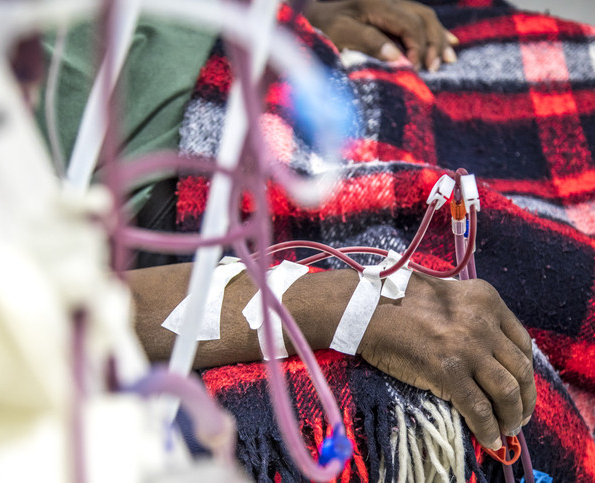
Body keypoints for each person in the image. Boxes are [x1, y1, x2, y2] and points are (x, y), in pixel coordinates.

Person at [33, 0, 535, 454]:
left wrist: (305, 9)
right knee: (499, 337)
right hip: (187, 192)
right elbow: (34, 309)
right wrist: (354, 306)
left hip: (275, 45)